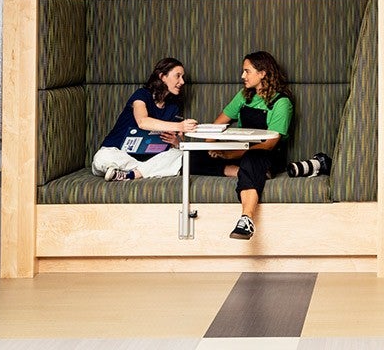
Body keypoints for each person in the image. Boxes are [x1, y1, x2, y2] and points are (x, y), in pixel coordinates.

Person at [190, 51, 293, 240]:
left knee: (251, 161)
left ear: (262, 73)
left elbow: (269, 144)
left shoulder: (281, 103)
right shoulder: (244, 96)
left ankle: (246, 220)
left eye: (247, 71)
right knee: (190, 158)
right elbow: (218, 124)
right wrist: (209, 147)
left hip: (264, 155)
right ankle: (238, 171)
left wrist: (232, 155)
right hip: (239, 153)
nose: (242, 76)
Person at [91, 57, 198, 181]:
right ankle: (142, 170)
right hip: (119, 153)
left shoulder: (173, 106)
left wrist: (176, 142)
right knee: (101, 158)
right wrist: (180, 126)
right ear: (162, 76)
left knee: (180, 154)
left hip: (149, 158)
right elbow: (142, 122)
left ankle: (130, 175)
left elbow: (178, 141)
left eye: (182, 77)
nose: (182, 81)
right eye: (178, 76)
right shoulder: (142, 94)